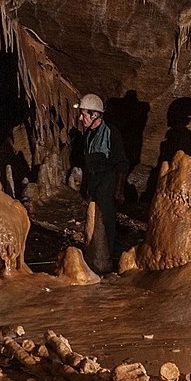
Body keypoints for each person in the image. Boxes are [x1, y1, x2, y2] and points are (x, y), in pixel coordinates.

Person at [76, 93, 129, 260]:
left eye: (84, 114)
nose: (80, 118)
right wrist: (84, 185)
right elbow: (86, 162)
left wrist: (119, 190)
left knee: (106, 221)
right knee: (94, 221)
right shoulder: (88, 135)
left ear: (95, 114)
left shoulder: (111, 133)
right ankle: (96, 254)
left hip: (108, 181)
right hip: (94, 182)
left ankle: (109, 258)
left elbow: (122, 164)